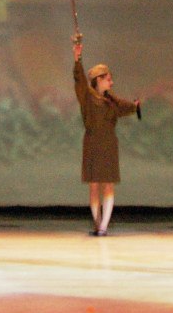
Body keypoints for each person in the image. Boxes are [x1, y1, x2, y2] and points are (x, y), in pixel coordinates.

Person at [73, 39, 140, 237]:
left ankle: (103, 226)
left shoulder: (111, 100)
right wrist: (77, 58)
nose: (111, 82)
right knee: (94, 185)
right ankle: (97, 224)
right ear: (99, 80)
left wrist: (136, 106)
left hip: (109, 144)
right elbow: (79, 80)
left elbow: (126, 107)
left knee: (108, 184)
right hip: (93, 143)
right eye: (108, 79)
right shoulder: (87, 96)